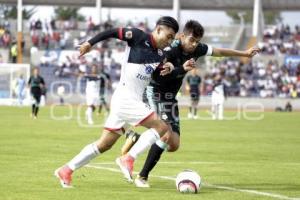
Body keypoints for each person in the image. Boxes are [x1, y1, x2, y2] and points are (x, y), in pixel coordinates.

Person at [121, 20, 261, 188]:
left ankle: (137, 139)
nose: (195, 44)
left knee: (173, 144)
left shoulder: (198, 49)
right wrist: (179, 68)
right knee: (165, 132)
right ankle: (142, 176)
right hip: (156, 92)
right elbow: (158, 76)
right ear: (182, 37)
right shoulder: (170, 49)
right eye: (192, 40)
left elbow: (219, 51)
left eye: (197, 41)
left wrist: (244, 54)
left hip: (170, 97)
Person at [54, 16, 179, 188]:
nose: (170, 41)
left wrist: (170, 69)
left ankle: (66, 169)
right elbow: (112, 32)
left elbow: (156, 76)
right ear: (158, 30)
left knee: (104, 144)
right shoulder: (138, 36)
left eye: (173, 38)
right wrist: (90, 43)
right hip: (125, 99)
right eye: (169, 36)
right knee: (163, 129)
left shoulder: (161, 55)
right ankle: (128, 158)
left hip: (127, 101)